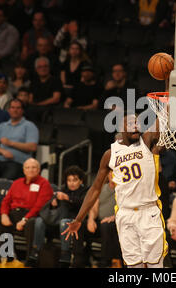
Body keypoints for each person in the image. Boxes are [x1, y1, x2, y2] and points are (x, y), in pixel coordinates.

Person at [62, 114, 169, 268]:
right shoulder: (110, 154)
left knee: (155, 264)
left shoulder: (146, 141)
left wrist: (170, 100)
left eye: (138, 123)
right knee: (133, 265)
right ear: (121, 128)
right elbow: (95, 189)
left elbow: (161, 122)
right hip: (125, 214)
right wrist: (79, 219)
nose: (136, 126)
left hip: (149, 211)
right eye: (131, 123)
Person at [0, 158, 53, 263]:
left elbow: (39, 206)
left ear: (39, 170)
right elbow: (6, 201)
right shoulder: (17, 183)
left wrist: (25, 219)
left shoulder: (44, 184)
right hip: (14, 213)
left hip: (32, 215)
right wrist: (4, 214)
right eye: (28, 167)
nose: (30, 170)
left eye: (33, 167)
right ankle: (6, 253)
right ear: (24, 170)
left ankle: (31, 257)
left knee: (32, 224)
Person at [29, 166, 89, 268]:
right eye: (69, 180)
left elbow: (84, 205)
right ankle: (36, 250)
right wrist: (54, 204)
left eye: (75, 180)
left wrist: (68, 198)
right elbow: (55, 210)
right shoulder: (62, 189)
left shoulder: (86, 191)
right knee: (39, 221)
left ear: (81, 181)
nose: (72, 183)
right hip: (59, 219)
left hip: (76, 221)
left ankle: (65, 253)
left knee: (64, 222)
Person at [0, 99, 38, 180]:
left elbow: (32, 147)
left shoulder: (29, 126)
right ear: (9, 110)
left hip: (18, 163)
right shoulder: (2, 126)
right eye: (12, 108)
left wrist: (11, 143)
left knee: (8, 176)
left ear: (22, 111)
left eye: (18, 108)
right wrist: (3, 151)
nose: (15, 110)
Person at [86, 172, 123, 268]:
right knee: (80, 225)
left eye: (115, 171)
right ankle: (79, 261)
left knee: (106, 226)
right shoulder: (101, 189)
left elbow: (127, 208)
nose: (112, 174)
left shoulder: (124, 189)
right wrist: (91, 219)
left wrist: (115, 217)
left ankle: (105, 262)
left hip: (118, 223)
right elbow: (94, 208)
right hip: (100, 222)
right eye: (110, 172)